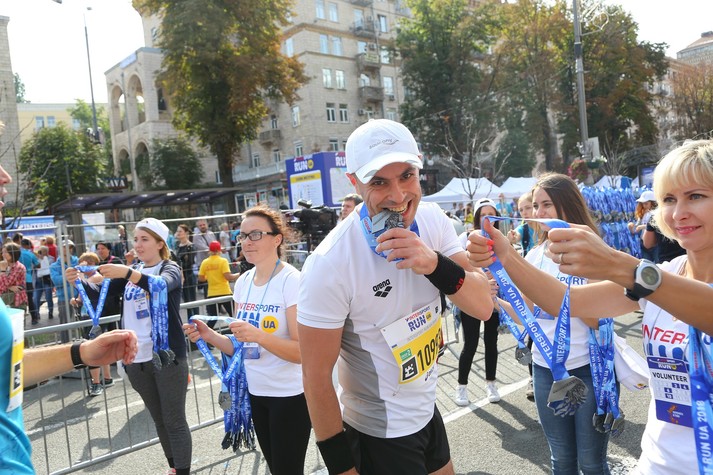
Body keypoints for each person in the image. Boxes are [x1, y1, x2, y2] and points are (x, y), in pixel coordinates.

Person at [467, 139, 713, 475]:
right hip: (658, 464)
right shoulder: (666, 273)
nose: (679, 212)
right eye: (669, 199)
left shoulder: (652, 279)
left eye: (695, 196)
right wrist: (506, 256)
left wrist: (615, 263)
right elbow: (563, 301)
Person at [297, 119, 493, 475]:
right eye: (379, 182)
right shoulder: (329, 263)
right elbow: (315, 377)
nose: (399, 195)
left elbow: (482, 306)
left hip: (427, 411)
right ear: (354, 182)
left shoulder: (432, 219)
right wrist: (342, 469)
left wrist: (434, 264)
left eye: (407, 176)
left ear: (419, 169)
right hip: (378, 431)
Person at [472, 173, 611, 474]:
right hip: (545, 369)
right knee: (561, 459)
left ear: (567, 204)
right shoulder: (534, 255)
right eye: (535, 205)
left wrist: (559, 297)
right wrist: (497, 300)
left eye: (546, 204)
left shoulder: (591, 251)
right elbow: (529, 314)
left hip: (588, 368)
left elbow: (600, 320)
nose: (538, 212)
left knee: (591, 462)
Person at [184, 205, 310, 475]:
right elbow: (241, 346)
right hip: (255, 392)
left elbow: (302, 352)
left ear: (277, 239)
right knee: (276, 469)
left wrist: (259, 336)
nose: (246, 242)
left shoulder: (292, 280)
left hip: (289, 395)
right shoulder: (243, 282)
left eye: (255, 235)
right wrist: (210, 336)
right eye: (242, 236)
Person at [65, 217, 191, 475]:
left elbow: (160, 285)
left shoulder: (170, 268)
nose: (138, 244)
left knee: (174, 420)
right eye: (136, 239)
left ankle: (184, 471)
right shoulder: (132, 271)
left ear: (160, 243)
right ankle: (174, 467)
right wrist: (78, 281)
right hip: (135, 358)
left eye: (144, 239)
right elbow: (101, 295)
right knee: (159, 419)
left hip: (167, 356)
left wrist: (126, 271)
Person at [454, 198, 502, 406]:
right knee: (471, 343)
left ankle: (491, 383)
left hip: (494, 298)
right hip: (471, 298)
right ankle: (461, 386)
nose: (487, 219)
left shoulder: (500, 240)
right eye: (483, 215)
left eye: (491, 215)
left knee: (491, 342)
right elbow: (457, 266)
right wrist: (480, 277)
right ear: (476, 217)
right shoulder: (465, 238)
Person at [70, 252, 116, 396]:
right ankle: (107, 378)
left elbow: (84, 287)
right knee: (99, 347)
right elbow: (81, 298)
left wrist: (80, 272)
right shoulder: (86, 278)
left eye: (87, 264)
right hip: (88, 316)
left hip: (97, 317)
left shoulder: (96, 277)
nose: (83, 267)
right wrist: (76, 301)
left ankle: (96, 383)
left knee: (92, 349)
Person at [198, 240, 239, 325]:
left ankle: (205, 333)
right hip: (225, 292)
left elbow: (201, 278)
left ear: (209, 250)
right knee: (234, 316)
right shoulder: (223, 261)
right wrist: (240, 274)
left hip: (212, 293)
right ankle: (237, 332)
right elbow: (228, 277)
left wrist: (209, 276)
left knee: (212, 319)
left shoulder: (205, 262)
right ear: (219, 250)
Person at [50, 240, 78, 325]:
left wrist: (65, 277)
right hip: (64, 298)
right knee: (65, 324)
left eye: (70, 247)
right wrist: (71, 275)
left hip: (79, 297)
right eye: (64, 247)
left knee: (82, 322)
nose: (67, 249)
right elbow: (57, 281)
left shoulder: (78, 261)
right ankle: (66, 335)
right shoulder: (54, 266)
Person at [507, 191, 540, 257]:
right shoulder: (523, 229)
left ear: (536, 207)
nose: (524, 213)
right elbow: (517, 234)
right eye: (521, 210)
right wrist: (513, 236)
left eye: (528, 208)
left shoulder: (547, 228)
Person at [175, 224, 198, 318]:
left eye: (180, 231)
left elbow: (190, 262)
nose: (178, 233)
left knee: (192, 300)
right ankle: (190, 320)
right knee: (186, 301)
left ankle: (197, 320)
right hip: (180, 276)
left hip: (188, 275)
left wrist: (180, 264)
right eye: (177, 231)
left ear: (186, 233)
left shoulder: (190, 246)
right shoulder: (177, 246)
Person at [628, 190, 657, 261]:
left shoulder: (656, 213)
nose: (644, 206)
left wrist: (643, 227)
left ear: (652, 203)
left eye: (646, 203)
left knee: (658, 263)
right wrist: (632, 228)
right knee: (647, 262)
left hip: (655, 243)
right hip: (643, 243)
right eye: (643, 204)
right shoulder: (643, 214)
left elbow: (657, 226)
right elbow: (636, 228)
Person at [0, 243, 28, 313]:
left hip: (16, 302)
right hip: (4, 301)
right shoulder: (4, 265)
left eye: (5, 252)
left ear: (13, 253)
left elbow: (6, 284)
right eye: (2, 252)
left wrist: (2, 270)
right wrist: (10, 287)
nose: (3, 254)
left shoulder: (19, 267)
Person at [19, 239, 39, 324]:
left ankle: (21, 320)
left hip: (18, 280)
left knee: (19, 300)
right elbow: (38, 265)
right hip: (28, 279)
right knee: (30, 299)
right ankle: (34, 318)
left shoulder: (17, 253)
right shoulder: (31, 254)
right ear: (27, 245)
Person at [33, 245, 54, 319]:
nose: (42, 252)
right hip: (38, 281)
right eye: (40, 251)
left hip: (47, 280)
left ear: (47, 252)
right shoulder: (36, 259)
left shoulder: (51, 259)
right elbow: (34, 267)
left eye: (43, 251)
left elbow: (50, 267)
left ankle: (50, 312)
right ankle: (36, 313)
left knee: (48, 297)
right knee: (36, 298)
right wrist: (38, 259)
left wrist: (43, 259)